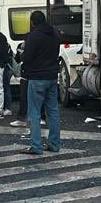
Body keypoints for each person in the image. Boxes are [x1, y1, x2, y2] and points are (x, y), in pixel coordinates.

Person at [21, 10, 62, 155]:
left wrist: (24, 64)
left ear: (32, 22)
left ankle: (36, 146)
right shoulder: (55, 33)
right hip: (52, 76)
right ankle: (55, 144)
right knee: (53, 112)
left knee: (34, 113)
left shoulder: (34, 36)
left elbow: (27, 58)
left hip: (37, 77)